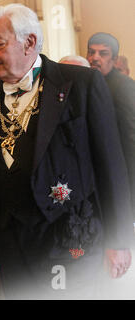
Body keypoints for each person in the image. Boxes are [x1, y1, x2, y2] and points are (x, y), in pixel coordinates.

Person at [0, 4, 133, 299]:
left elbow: (111, 163)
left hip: (69, 237)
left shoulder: (82, 84)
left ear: (29, 42)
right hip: (11, 242)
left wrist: (119, 239)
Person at [87, 33, 135, 226]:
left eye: (103, 53)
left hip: (123, 168)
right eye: (91, 52)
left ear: (114, 60)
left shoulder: (124, 85)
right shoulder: (87, 81)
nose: (95, 58)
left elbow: (131, 133)